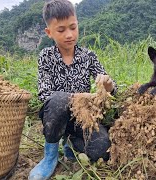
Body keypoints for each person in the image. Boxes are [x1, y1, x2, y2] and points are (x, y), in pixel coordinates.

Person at [28, 0, 118, 179]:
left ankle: (70, 142)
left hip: (81, 117)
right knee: (59, 99)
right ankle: (50, 156)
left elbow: (112, 89)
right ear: (49, 32)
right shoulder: (46, 56)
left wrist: (107, 84)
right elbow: (45, 94)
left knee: (102, 149)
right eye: (61, 30)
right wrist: (78, 96)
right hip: (55, 115)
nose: (69, 34)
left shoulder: (88, 56)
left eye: (73, 27)